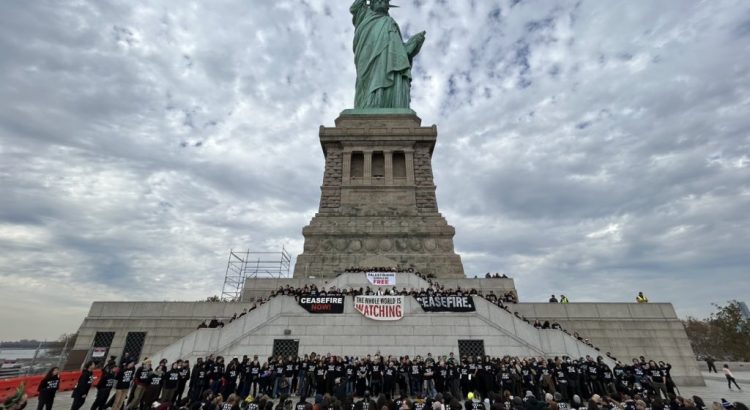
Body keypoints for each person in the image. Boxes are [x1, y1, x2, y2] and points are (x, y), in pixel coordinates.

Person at [350, 0, 426, 109]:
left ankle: (387, 104)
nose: (381, 2)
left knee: (391, 74)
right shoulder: (364, 15)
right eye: (377, 1)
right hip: (367, 55)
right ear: (370, 4)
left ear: (388, 6)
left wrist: (413, 44)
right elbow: (355, 8)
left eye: (384, 1)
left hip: (389, 61)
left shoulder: (390, 22)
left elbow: (399, 53)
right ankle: (367, 106)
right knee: (367, 82)